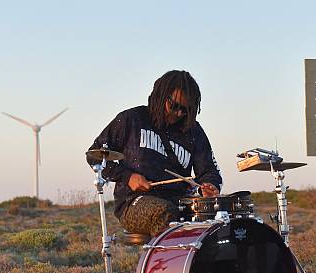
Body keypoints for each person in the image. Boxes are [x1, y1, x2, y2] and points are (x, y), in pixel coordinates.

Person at [87, 70, 222, 236]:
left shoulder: (194, 132)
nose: (179, 113)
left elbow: (209, 170)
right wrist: (128, 177)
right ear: (160, 96)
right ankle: (167, 262)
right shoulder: (132, 119)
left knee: (223, 217)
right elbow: (94, 155)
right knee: (165, 213)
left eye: (185, 110)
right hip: (133, 202)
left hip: (181, 202)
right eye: (174, 106)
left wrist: (209, 185)